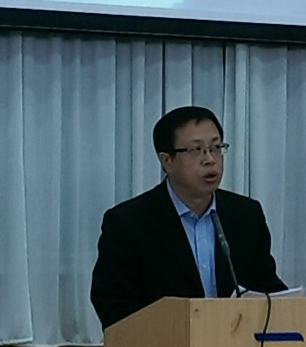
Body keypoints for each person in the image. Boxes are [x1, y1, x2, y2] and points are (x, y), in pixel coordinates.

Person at [90, 105, 286, 330]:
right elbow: (113, 305)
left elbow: (266, 287)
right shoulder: (128, 223)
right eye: (196, 150)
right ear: (167, 160)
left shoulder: (246, 215)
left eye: (216, 147)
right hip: (165, 346)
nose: (210, 159)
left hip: (237, 346)